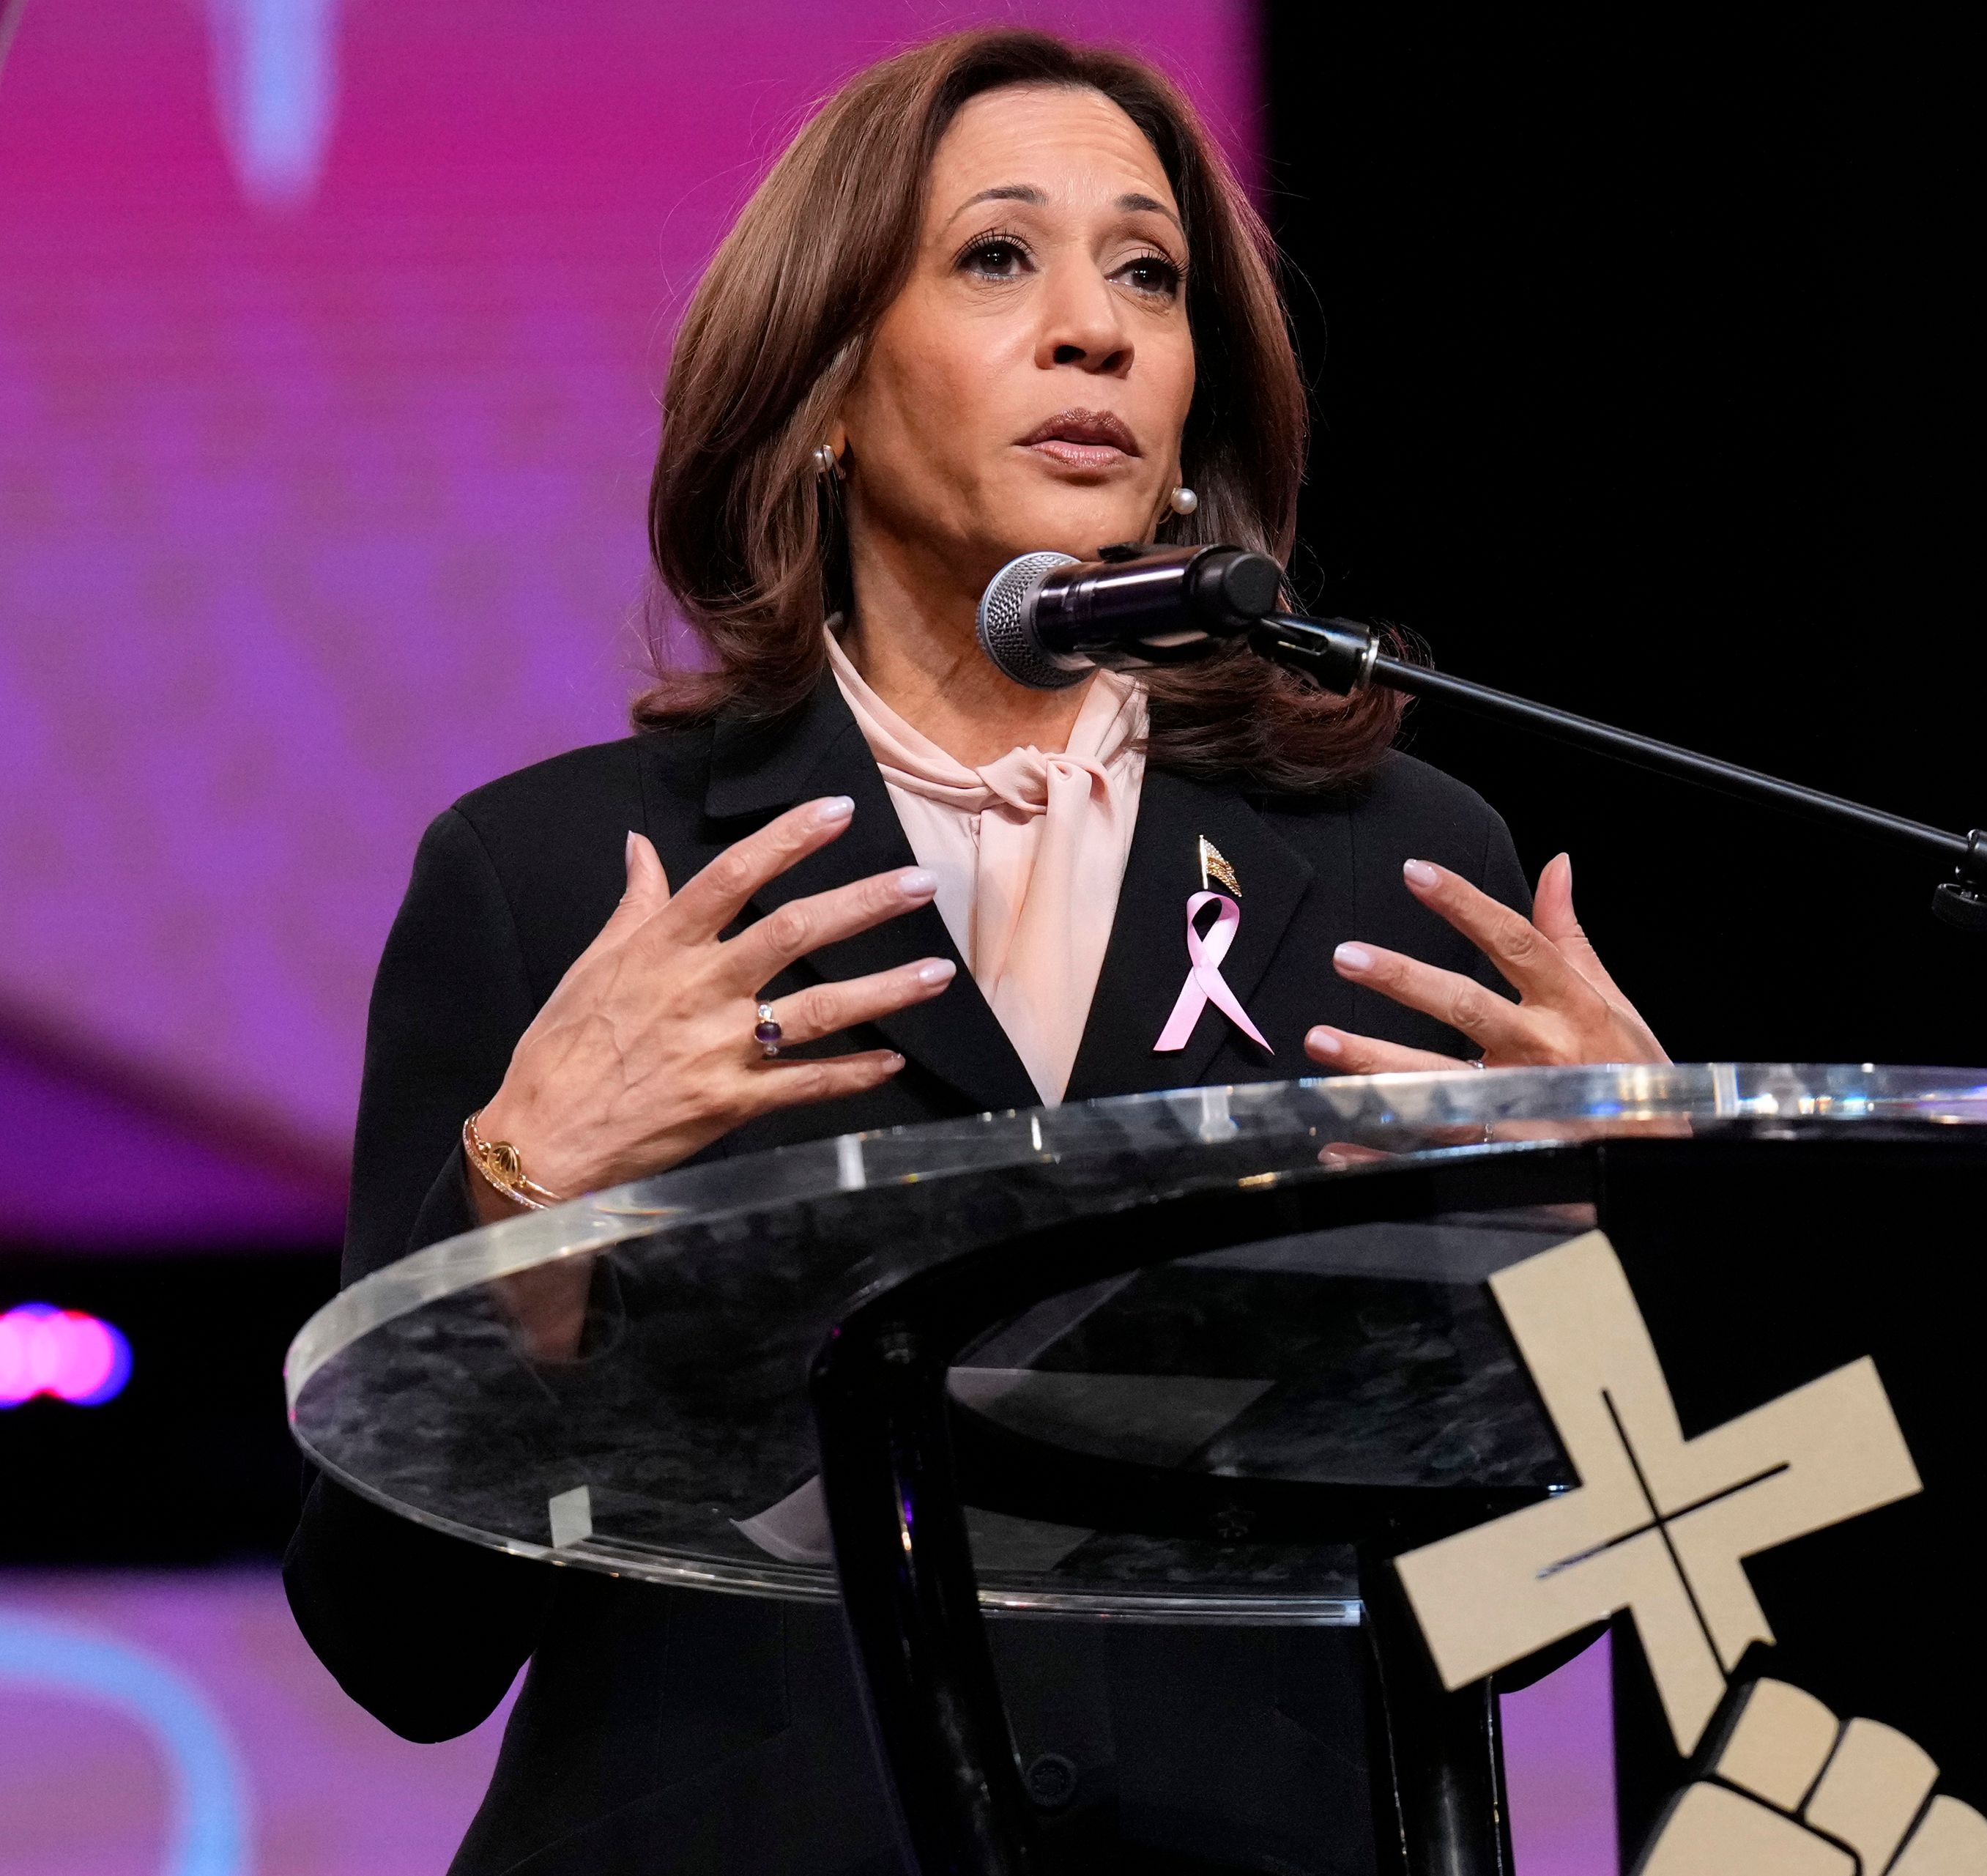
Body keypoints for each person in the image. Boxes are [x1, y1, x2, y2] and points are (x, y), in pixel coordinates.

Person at [283, 26, 1660, 1876]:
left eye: (1148, 274)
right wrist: (517, 1202)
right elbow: (401, 1648)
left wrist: (1610, 1240)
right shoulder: (562, 882)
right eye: (998, 256)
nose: (1092, 327)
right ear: (830, 381)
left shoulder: (1407, 875)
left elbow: (1525, 1608)